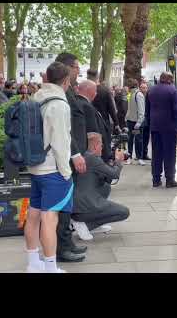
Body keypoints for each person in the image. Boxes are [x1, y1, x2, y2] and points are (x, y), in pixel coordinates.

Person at [24, 61, 73, 273]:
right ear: (66, 81)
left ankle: (33, 263)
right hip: (52, 169)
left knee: (33, 215)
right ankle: (51, 267)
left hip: (34, 166)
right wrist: (66, 172)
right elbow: (61, 143)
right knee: (49, 218)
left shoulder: (36, 97)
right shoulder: (59, 105)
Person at [54, 52, 88, 263]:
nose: (78, 71)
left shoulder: (68, 92)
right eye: (76, 67)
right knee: (64, 204)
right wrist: (76, 153)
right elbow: (65, 130)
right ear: (67, 68)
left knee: (67, 203)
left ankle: (67, 243)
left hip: (71, 155)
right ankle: (62, 247)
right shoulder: (62, 94)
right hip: (67, 157)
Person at [70, 133, 129, 240]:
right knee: (124, 212)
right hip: (82, 209)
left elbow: (107, 178)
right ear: (95, 146)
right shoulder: (92, 158)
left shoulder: (84, 156)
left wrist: (111, 163)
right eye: (101, 145)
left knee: (106, 187)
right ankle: (84, 226)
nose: (102, 148)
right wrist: (119, 162)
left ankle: (89, 223)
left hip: (75, 206)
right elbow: (114, 175)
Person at [145, 72, 177, 188]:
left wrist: (149, 123)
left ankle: (156, 179)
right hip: (169, 127)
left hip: (155, 127)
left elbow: (147, 110)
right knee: (169, 154)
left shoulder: (151, 90)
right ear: (169, 80)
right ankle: (169, 179)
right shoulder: (172, 91)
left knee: (156, 153)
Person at [86, 69, 120, 134]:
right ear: (97, 77)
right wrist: (116, 124)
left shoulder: (84, 89)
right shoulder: (105, 90)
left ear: (88, 77)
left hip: (89, 125)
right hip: (103, 124)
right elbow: (111, 109)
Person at [125, 79, 146, 166]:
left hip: (136, 123)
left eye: (128, 86)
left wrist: (139, 122)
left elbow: (142, 110)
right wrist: (126, 117)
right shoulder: (131, 94)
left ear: (131, 86)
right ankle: (130, 157)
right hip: (130, 121)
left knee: (138, 140)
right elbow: (129, 107)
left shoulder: (138, 94)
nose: (126, 87)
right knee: (130, 139)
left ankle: (139, 157)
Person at [139, 82, 151, 161]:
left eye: (145, 88)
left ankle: (145, 154)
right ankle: (140, 154)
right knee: (140, 138)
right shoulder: (138, 96)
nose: (144, 89)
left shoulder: (149, 96)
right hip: (140, 120)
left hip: (147, 120)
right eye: (142, 87)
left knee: (146, 138)